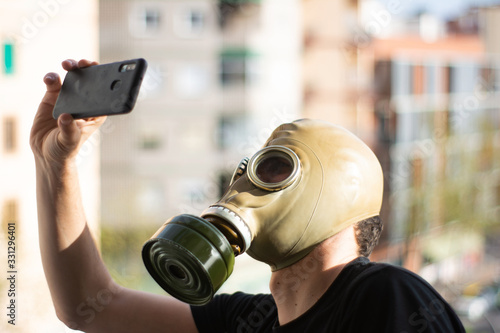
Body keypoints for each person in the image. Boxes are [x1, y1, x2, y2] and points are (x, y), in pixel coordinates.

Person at [31, 59, 465, 333]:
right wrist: (55, 165)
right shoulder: (251, 321)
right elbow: (88, 308)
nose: (241, 187)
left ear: (338, 190)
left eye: (271, 168)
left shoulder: (385, 297)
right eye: (243, 170)